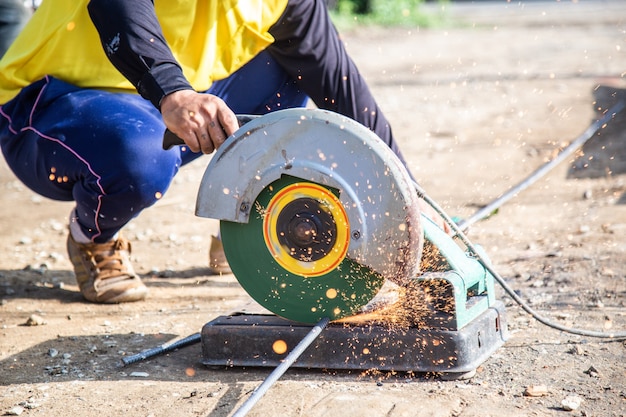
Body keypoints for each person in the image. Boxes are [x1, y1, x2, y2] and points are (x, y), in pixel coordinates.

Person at [0, 0, 443, 304]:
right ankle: (91, 238)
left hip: (168, 96)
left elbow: (342, 91)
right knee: (136, 160)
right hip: (53, 102)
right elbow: (119, 9)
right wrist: (172, 93)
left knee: (294, 72)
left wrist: (408, 204)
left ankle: (250, 219)